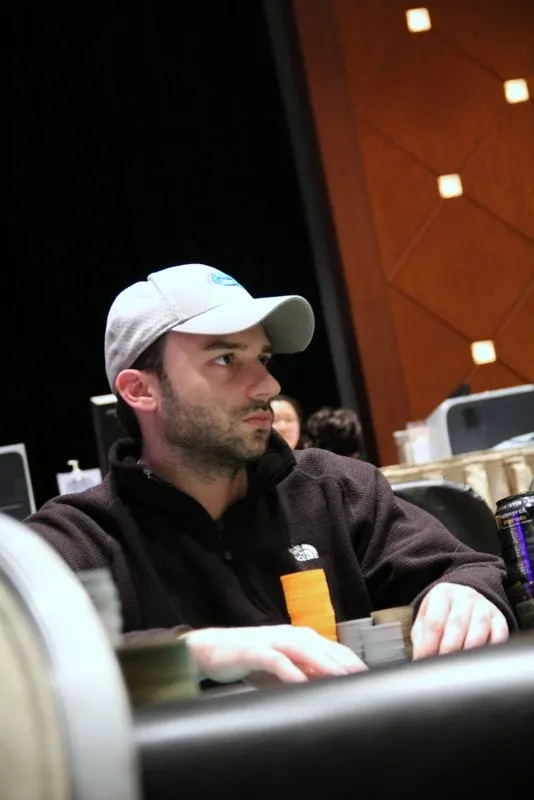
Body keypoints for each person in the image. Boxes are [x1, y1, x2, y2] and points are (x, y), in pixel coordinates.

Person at [25, 263, 513, 685]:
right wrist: (194, 653)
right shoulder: (78, 539)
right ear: (140, 390)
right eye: (225, 359)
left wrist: (465, 592)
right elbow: (21, 656)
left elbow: (466, 567)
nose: (268, 385)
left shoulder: (337, 490)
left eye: (261, 358)